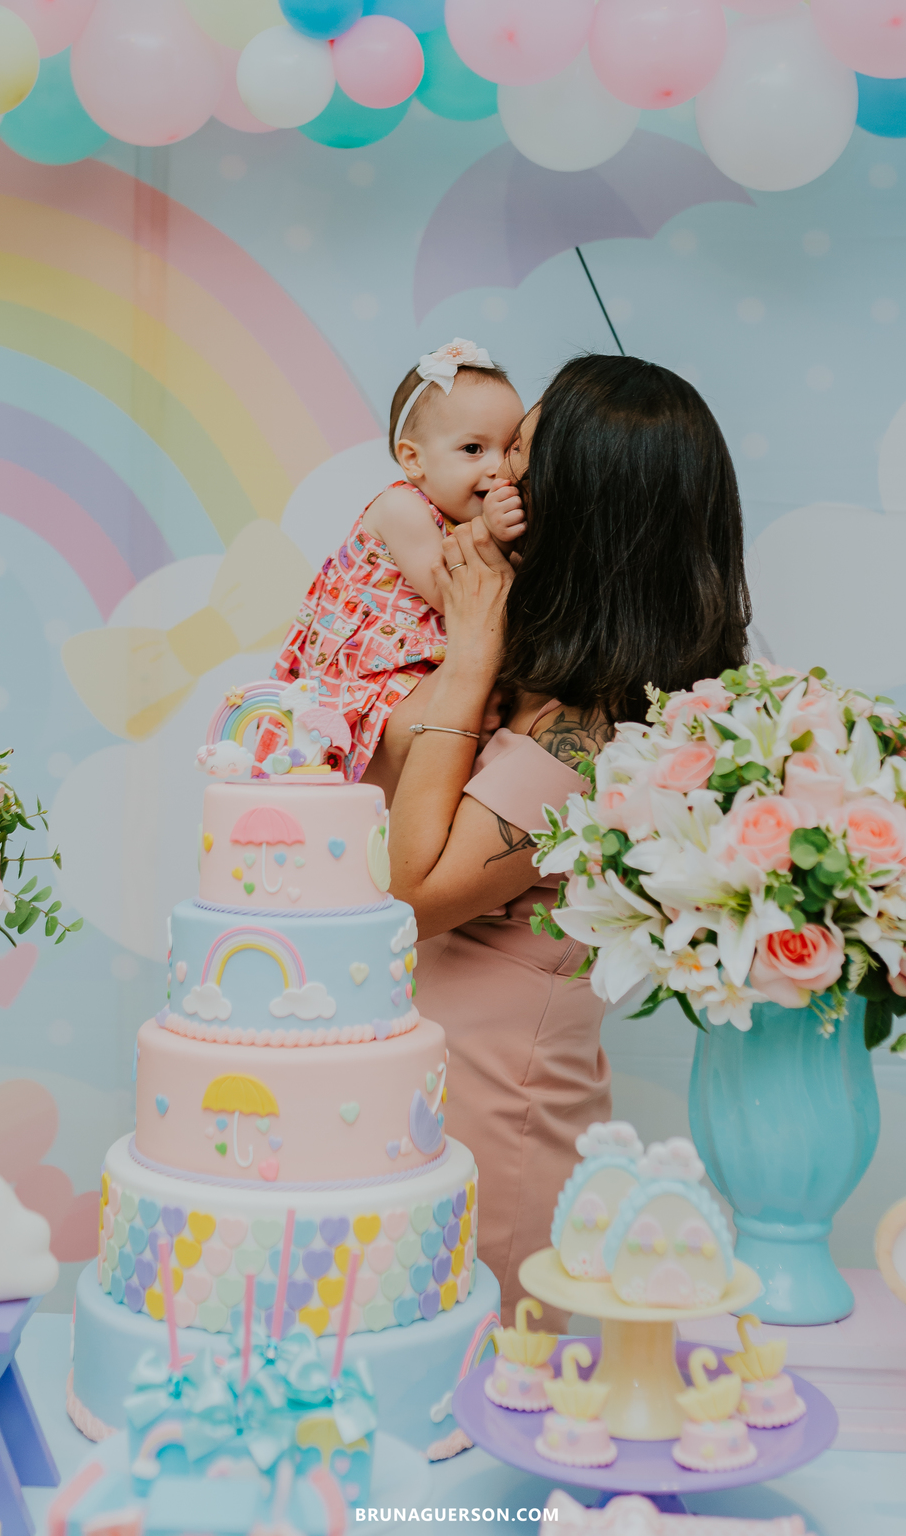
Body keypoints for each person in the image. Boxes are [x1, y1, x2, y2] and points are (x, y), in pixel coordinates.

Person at [368, 354, 751, 1321]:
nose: (496, 480)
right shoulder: (545, 674)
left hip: (494, 1107)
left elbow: (404, 898)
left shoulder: (596, 728)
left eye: (523, 460)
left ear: (581, 509)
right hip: (420, 1076)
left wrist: (467, 660)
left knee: (494, 1394)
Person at [273, 339, 525, 779]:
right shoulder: (402, 509)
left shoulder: (461, 514)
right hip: (370, 669)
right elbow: (451, 595)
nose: (496, 468)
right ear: (413, 459)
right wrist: (494, 534)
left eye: (509, 450)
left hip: (429, 661)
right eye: (473, 449)